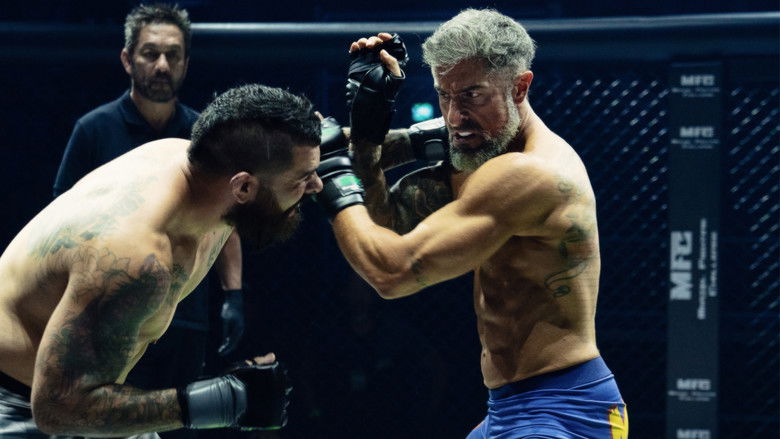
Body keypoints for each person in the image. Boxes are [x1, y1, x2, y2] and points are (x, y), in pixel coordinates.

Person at [316, 9, 629, 438]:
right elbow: (385, 225)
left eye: (471, 95)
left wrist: (335, 176)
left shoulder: (528, 173)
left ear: (520, 87)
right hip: (509, 407)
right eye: (444, 95)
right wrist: (368, 126)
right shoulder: (484, 147)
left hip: (561, 411)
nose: (454, 116)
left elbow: (392, 272)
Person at [0, 83, 320, 437]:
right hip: (25, 406)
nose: (317, 186)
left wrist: (359, 137)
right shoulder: (135, 258)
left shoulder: (205, 170)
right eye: (304, 179)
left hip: (70, 393)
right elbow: (58, 408)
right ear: (243, 187)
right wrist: (225, 400)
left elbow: (290, 149)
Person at [52, 7, 246, 436]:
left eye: (172, 55)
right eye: (150, 53)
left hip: (183, 315)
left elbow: (226, 221)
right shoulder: (93, 130)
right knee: (104, 423)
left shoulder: (205, 135)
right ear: (128, 59)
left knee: (176, 421)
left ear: (186, 63)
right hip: (109, 316)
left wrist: (233, 295)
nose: (161, 65)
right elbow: (60, 224)